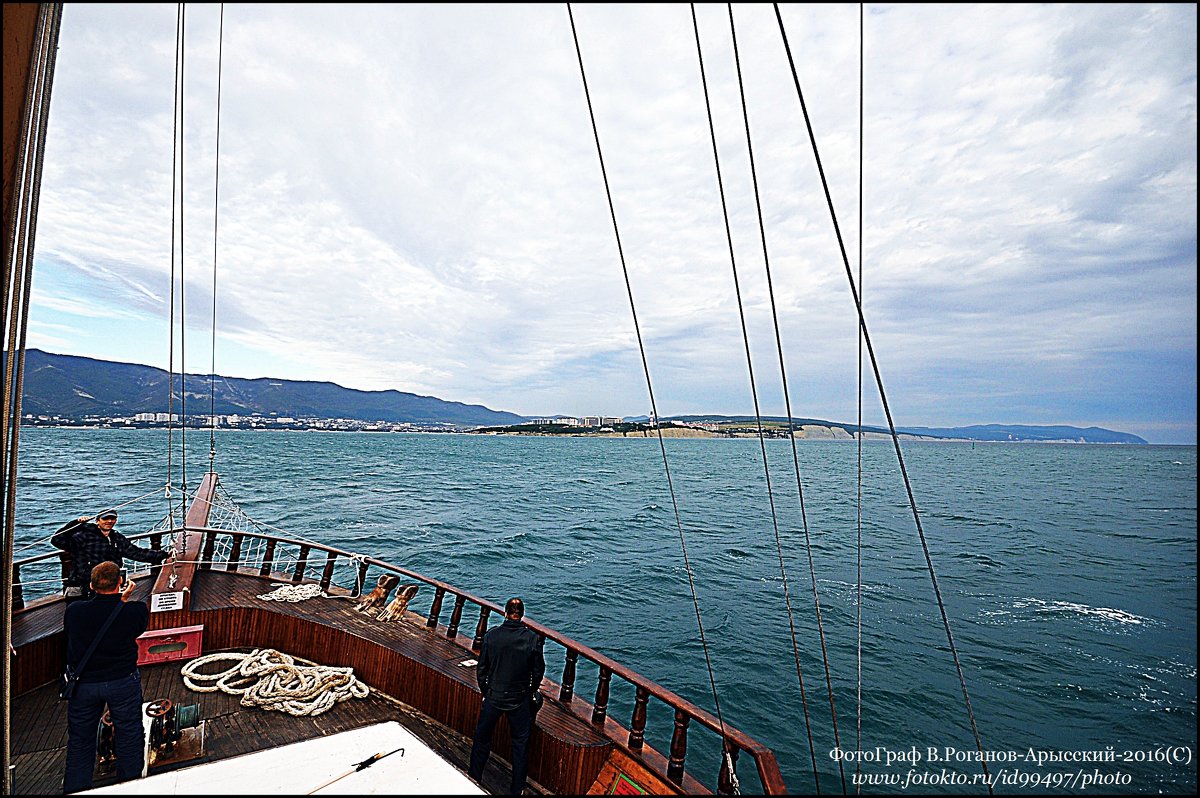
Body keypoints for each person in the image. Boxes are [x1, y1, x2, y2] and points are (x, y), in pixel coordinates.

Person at [62, 561, 150, 794]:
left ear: (91, 585)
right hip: (122, 681)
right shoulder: (136, 610)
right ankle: (130, 785)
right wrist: (123, 599)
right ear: (121, 583)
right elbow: (135, 628)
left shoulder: (74, 611)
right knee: (129, 731)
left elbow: (86, 624)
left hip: (83, 685)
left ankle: (76, 789)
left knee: (81, 740)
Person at [468, 597, 545, 795]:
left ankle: (473, 778)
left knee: (482, 739)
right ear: (522, 615)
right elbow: (538, 671)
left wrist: (486, 691)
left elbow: (482, 669)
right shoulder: (532, 639)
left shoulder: (491, 636)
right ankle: (516, 789)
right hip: (519, 700)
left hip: (494, 696)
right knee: (520, 745)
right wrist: (529, 692)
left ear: (505, 612)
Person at [51, 509, 170, 603]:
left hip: (111, 582)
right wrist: (76, 523)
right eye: (105, 518)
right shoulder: (83, 536)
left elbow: (135, 552)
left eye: (112, 518)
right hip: (87, 583)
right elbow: (57, 540)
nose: (109, 521)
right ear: (97, 521)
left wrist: (164, 555)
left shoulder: (116, 537)